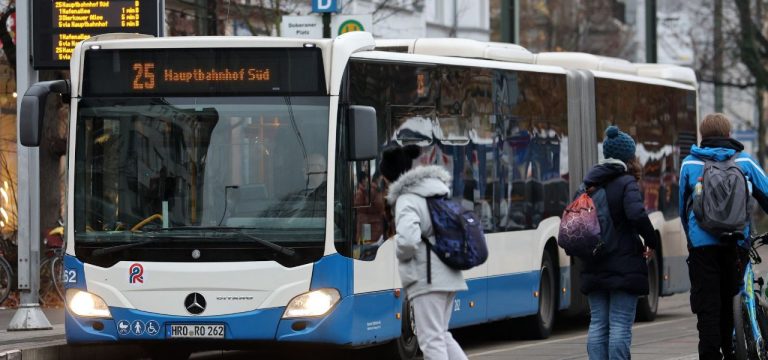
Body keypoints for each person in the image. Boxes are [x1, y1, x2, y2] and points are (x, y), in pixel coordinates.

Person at [679, 113, 768, 360]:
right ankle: (732, 351)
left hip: (702, 246)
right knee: (732, 299)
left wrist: (692, 240)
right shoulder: (745, 162)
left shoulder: (689, 164)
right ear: (729, 135)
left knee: (707, 306)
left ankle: (709, 354)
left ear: (702, 136)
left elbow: (683, 209)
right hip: (736, 242)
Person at [380, 144, 469, 360]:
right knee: (441, 336)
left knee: (430, 341)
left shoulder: (406, 200)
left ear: (390, 176)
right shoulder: (432, 192)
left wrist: (399, 253)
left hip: (428, 279)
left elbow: (408, 241)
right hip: (448, 275)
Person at [581, 126, 659, 360]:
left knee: (598, 324)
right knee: (619, 325)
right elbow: (636, 215)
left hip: (593, 262)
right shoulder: (626, 183)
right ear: (629, 156)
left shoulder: (588, 184)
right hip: (623, 263)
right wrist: (651, 240)